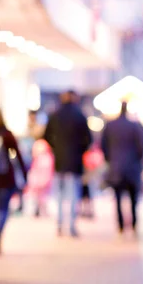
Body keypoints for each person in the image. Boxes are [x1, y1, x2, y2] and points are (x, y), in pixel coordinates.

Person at [43, 90, 92, 237]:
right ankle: (70, 225)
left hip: (59, 161)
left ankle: (59, 223)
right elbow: (88, 139)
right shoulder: (79, 115)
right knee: (72, 195)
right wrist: (79, 151)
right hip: (74, 162)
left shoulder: (55, 115)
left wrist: (56, 148)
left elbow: (46, 136)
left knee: (59, 194)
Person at [101, 102, 143, 234]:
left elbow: (103, 146)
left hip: (116, 167)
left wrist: (109, 159)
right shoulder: (135, 126)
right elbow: (142, 147)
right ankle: (133, 225)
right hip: (132, 167)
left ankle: (121, 225)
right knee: (134, 199)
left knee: (118, 199)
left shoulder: (110, 126)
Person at [0, 109, 27, 254]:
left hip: (5, 179)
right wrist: (24, 174)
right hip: (4, 179)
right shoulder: (7, 135)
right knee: (3, 210)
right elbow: (18, 155)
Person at [26, 139, 54, 217]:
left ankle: (41, 211)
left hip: (43, 180)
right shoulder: (42, 158)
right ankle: (38, 211)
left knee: (43, 197)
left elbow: (46, 171)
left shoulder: (46, 158)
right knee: (38, 197)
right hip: (39, 180)